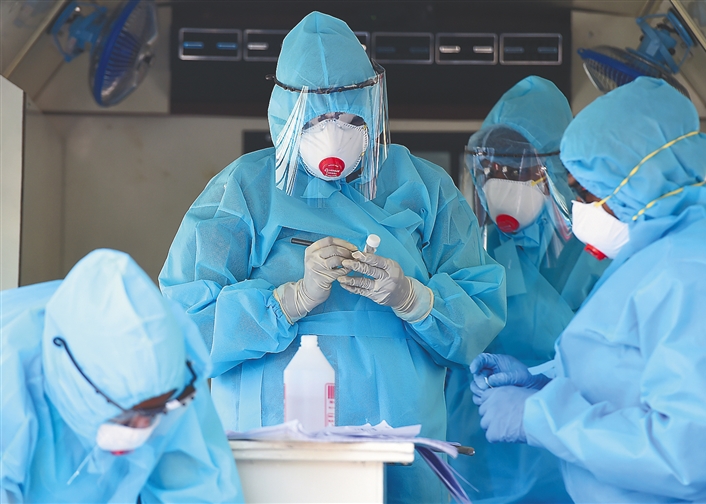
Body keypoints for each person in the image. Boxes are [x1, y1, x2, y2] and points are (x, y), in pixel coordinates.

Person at [158, 11, 506, 504]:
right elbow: (185, 325)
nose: (333, 135)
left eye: (349, 120)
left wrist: (412, 298)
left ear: (373, 108)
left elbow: (480, 314)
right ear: (285, 115)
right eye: (316, 121)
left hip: (399, 447)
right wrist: (287, 302)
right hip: (270, 452)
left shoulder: (424, 188)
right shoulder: (244, 191)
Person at [471, 77, 706, 502]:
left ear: (638, 180)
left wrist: (539, 418)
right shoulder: (666, 252)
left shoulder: (698, 272)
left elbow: (687, 455)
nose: (579, 207)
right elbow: (636, 373)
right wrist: (543, 381)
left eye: (586, 191)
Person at [445, 76, 607, 503]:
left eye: (521, 170)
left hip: (564, 463)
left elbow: (611, 369)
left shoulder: (596, 255)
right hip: (475, 460)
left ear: (558, 171)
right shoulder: (476, 253)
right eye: (493, 170)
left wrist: (540, 379)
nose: (503, 184)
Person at [0, 249, 244, 503]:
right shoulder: (9, 385)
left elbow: (198, 487)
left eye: (155, 412)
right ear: (80, 384)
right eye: (127, 416)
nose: (142, 430)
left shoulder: (174, 384)